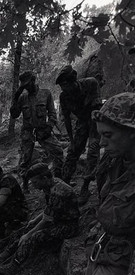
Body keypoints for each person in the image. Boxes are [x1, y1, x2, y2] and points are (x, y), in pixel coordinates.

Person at [54, 92, 135, 275]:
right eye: (101, 136)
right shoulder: (116, 161)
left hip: (119, 262)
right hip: (103, 248)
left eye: (109, 135)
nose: (102, 143)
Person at [0, 163, 79, 275]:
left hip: (67, 226)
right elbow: (49, 209)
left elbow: (47, 220)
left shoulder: (59, 191)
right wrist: (35, 221)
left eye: (35, 182)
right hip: (57, 220)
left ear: (45, 178)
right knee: (26, 228)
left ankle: (12, 267)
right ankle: (5, 255)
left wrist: (29, 234)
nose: (33, 186)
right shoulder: (50, 185)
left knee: (33, 236)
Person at [56, 64, 102, 204]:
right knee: (72, 152)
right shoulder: (64, 96)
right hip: (82, 122)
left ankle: (86, 186)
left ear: (73, 81)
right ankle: (64, 183)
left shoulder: (90, 83)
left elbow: (96, 108)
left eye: (66, 85)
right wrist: (71, 140)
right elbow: (68, 119)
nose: (64, 89)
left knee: (93, 151)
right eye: (62, 87)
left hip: (95, 118)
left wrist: (95, 134)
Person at [10, 70, 63, 186]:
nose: (26, 87)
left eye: (27, 84)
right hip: (27, 132)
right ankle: (24, 185)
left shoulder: (46, 93)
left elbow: (52, 114)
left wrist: (49, 127)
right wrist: (16, 95)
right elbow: (14, 114)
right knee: (25, 160)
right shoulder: (22, 98)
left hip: (43, 130)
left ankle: (58, 180)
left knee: (58, 152)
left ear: (33, 81)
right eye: (24, 85)